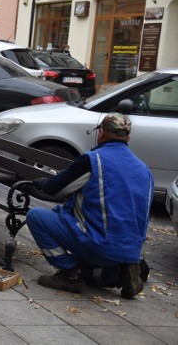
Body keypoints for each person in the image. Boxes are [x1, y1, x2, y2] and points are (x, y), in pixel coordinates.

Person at [26, 112, 153, 299]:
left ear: (101, 132)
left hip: (98, 243)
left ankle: (70, 274)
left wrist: (41, 182)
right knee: (96, 251)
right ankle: (118, 269)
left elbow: (55, 189)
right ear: (128, 136)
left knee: (36, 217)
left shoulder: (94, 160)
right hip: (131, 248)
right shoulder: (144, 169)